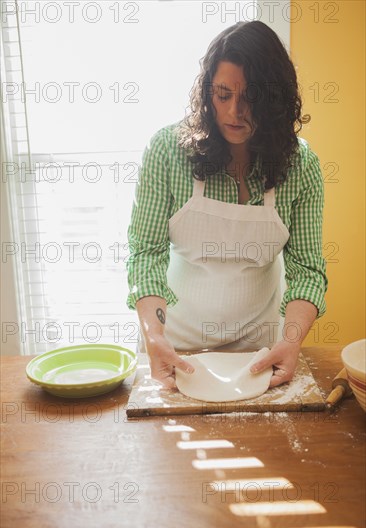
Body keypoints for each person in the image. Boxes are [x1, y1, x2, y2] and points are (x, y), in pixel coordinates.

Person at [126, 20, 328, 390]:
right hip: (174, 346)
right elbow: (146, 254)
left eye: (250, 97)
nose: (235, 111)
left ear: (275, 100)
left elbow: (308, 272)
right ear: (207, 93)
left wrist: (292, 340)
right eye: (222, 95)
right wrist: (154, 335)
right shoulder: (167, 153)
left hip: (258, 352)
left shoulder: (302, 168)